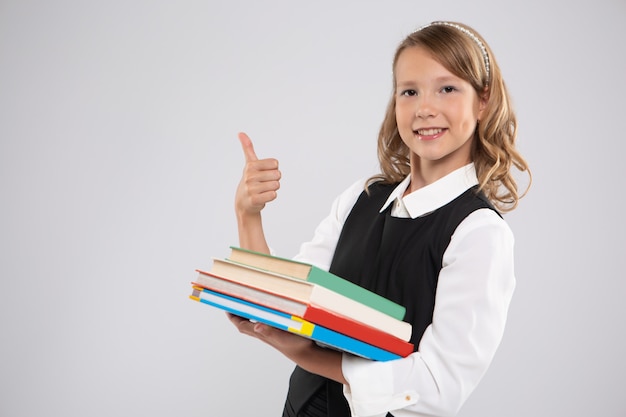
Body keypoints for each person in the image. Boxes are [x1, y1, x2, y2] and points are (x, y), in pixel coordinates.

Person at [228, 20, 531, 417]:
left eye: (447, 88)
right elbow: (290, 298)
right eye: (409, 91)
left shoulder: (479, 232)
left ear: (483, 102)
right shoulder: (362, 197)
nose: (424, 108)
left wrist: (304, 353)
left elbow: (437, 388)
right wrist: (248, 215)